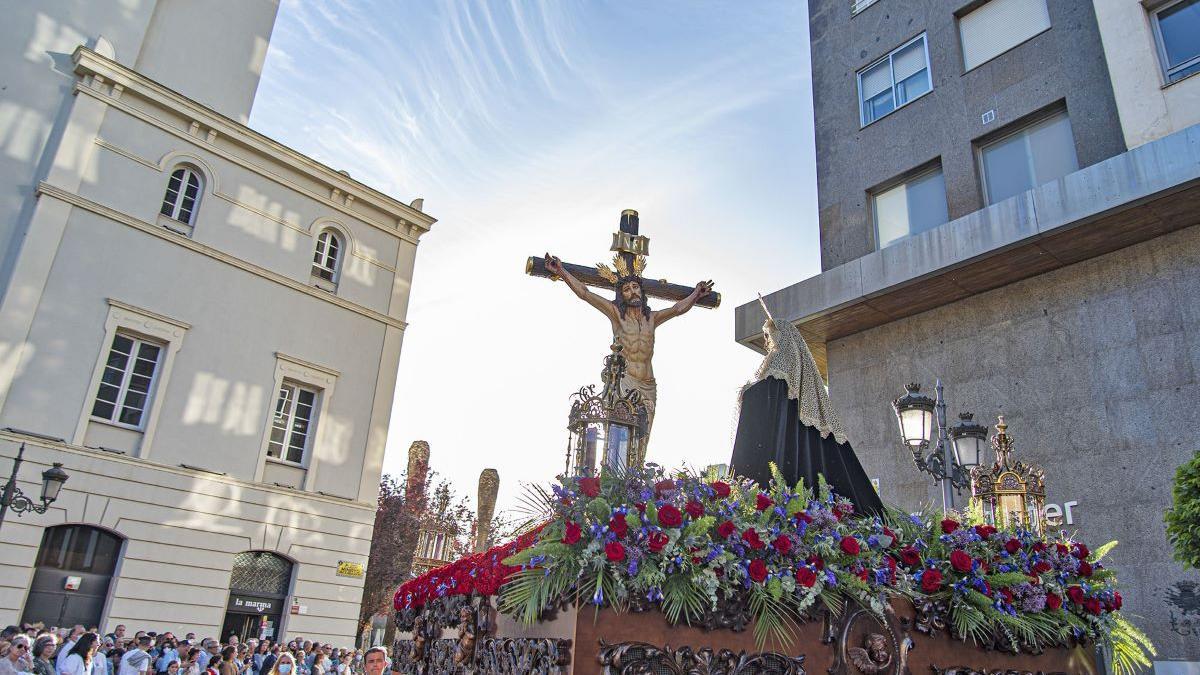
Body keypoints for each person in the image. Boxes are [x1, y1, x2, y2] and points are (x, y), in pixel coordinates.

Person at [544, 248, 714, 453]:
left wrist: (696, 294)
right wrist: (561, 272)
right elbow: (585, 294)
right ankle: (616, 477)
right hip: (624, 381)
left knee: (644, 435)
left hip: (648, 384)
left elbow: (678, 309)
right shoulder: (617, 315)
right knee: (620, 435)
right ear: (621, 295)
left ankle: (637, 477)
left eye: (636, 287)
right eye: (627, 289)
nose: (633, 291)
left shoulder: (652, 319)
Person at [729, 303, 884, 517]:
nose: (770, 342)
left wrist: (748, 391)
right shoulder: (798, 380)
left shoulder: (780, 365)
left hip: (781, 447)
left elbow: (766, 390)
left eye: (771, 336)